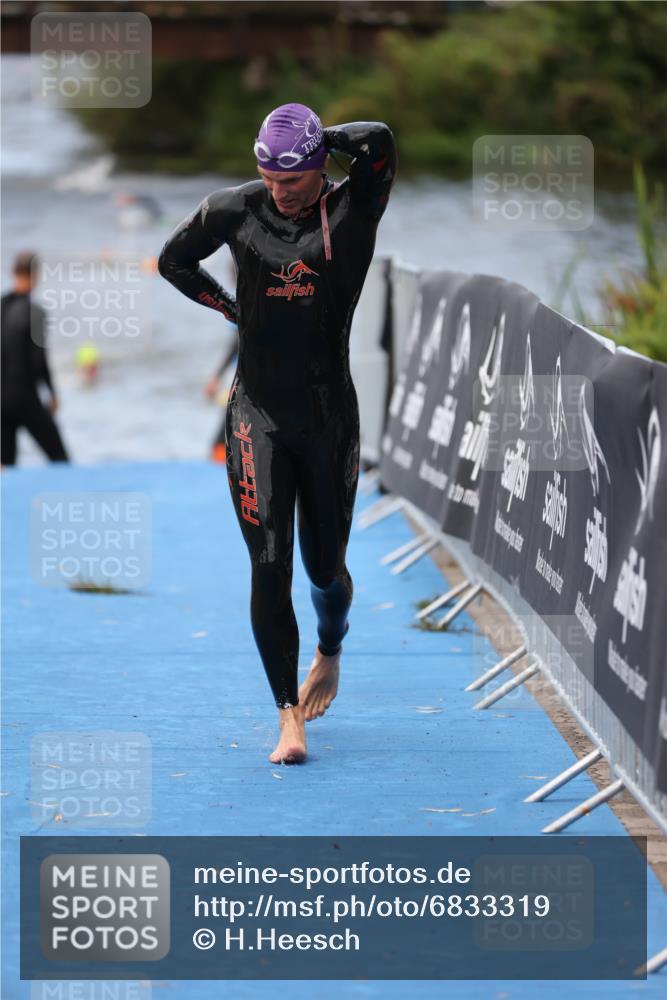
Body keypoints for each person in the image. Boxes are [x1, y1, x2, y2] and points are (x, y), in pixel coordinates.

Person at [159, 103, 396, 764]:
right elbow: (172, 262)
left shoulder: (355, 210)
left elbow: (378, 142)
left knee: (324, 570)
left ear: (320, 167)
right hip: (255, 415)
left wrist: (324, 135)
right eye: (268, 175)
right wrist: (232, 309)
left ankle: (330, 648)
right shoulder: (233, 210)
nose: (278, 189)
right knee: (269, 564)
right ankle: (286, 716)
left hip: (327, 419)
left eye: (292, 178)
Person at [1, 252, 69, 468]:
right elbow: (39, 361)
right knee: (60, 459)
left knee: (5, 469)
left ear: (13, 272)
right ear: (36, 275)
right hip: (25, 397)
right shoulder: (36, 312)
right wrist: (52, 393)